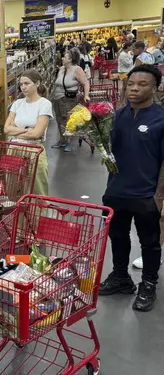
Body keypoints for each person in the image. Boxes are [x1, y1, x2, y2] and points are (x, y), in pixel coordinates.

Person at [100, 65, 164, 312]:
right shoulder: (116, 116)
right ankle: (120, 277)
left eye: (143, 84)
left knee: (149, 242)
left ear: (155, 88)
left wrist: (159, 197)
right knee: (117, 236)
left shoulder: (160, 119)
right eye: (131, 84)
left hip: (146, 194)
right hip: (116, 191)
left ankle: (148, 283)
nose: (135, 88)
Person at [4, 70, 52, 196]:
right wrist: (27, 129)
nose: (23, 87)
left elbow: (36, 134)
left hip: (34, 150)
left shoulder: (45, 104)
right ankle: (16, 215)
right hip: (13, 148)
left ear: (37, 83)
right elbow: (6, 129)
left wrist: (16, 130)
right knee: (11, 188)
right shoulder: (17, 103)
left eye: (27, 83)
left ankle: (37, 216)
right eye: (21, 84)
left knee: (37, 189)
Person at [51, 47, 90, 152]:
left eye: (65, 56)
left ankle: (68, 142)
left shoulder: (77, 70)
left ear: (70, 59)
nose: (63, 58)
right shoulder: (61, 69)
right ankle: (62, 140)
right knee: (59, 120)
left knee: (68, 121)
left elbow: (86, 83)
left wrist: (86, 95)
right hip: (57, 99)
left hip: (69, 99)